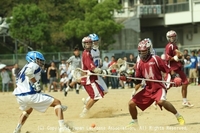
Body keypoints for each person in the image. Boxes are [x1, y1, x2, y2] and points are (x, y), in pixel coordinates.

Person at [120, 39, 185, 127]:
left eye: (144, 51)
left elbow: (167, 70)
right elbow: (138, 80)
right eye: (140, 51)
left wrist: (175, 77)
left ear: (149, 49)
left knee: (161, 101)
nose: (142, 53)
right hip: (148, 89)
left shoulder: (156, 58)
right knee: (131, 103)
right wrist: (128, 78)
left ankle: (178, 116)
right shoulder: (139, 63)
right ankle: (134, 122)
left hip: (159, 87)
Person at [12, 51, 71, 133]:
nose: (40, 62)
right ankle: (62, 127)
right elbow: (28, 72)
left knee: (28, 110)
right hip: (30, 95)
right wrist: (35, 83)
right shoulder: (33, 65)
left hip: (20, 97)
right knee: (57, 102)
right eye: (38, 60)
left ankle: (17, 129)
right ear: (32, 59)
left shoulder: (24, 67)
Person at [79, 36, 109, 118]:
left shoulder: (90, 52)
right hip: (89, 78)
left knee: (100, 93)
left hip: (93, 76)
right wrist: (102, 71)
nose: (88, 45)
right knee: (96, 96)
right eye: (86, 43)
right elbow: (92, 68)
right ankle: (84, 112)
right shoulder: (86, 54)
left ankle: (86, 105)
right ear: (83, 44)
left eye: (90, 43)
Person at [165, 30, 193, 107]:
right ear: (168, 38)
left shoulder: (175, 45)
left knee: (185, 82)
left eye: (173, 36)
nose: (172, 38)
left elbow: (177, 56)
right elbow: (167, 58)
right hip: (172, 68)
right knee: (167, 85)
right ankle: (158, 98)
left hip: (178, 67)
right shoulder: (169, 46)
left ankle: (184, 101)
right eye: (170, 37)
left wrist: (182, 60)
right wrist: (175, 58)